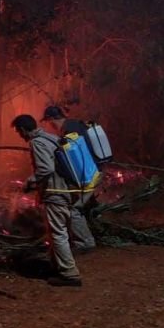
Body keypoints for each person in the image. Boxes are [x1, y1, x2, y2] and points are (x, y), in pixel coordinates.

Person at [12, 114, 83, 287]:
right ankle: (57, 267)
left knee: (58, 234)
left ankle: (69, 274)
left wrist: (29, 182)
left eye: (18, 132)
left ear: (22, 130)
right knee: (56, 232)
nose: (19, 136)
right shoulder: (52, 138)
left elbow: (46, 168)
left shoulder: (37, 143)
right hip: (66, 190)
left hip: (55, 194)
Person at [40, 105, 97, 254]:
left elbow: (73, 158)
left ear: (51, 119)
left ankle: (85, 242)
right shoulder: (76, 124)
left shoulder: (68, 131)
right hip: (93, 172)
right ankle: (88, 234)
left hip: (88, 175)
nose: (49, 125)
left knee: (74, 210)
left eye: (48, 121)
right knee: (81, 204)